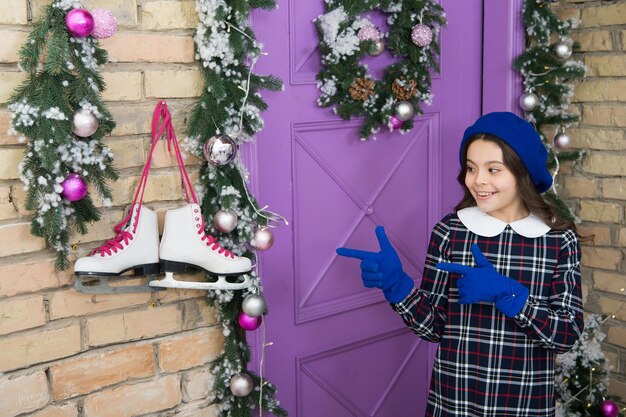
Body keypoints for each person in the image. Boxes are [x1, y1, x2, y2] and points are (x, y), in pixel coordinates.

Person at [336, 112, 584, 417]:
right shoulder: (450, 232)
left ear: (524, 174)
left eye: (493, 169)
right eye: (471, 168)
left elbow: (566, 335)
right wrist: (398, 287)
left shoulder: (557, 240)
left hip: (524, 405)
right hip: (454, 403)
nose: (478, 180)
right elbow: (434, 328)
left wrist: (512, 296)